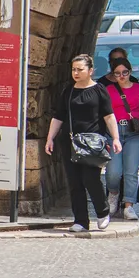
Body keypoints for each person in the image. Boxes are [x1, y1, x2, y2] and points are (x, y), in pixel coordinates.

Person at [45, 54, 122, 232]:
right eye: (74, 69)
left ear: (90, 71)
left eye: (80, 69)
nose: (76, 73)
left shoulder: (99, 90)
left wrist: (115, 138)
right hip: (70, 142)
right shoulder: (68, 91)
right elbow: (59, 116)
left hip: (92, 143)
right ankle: (80, 220)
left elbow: (109, 116)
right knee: (74, 182)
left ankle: (102, 211)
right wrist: (50, 138)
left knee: (91, 178)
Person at [103, 58, 139, 221]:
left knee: (131, 171)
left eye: (125, 72)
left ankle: (128, 206)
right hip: (114, 132)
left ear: (130, 72)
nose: (122, 76)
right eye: (117, 73)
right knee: (113, 173)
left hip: (135, 133)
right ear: (113, 75)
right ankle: (113, 193)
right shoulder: (108, 90)